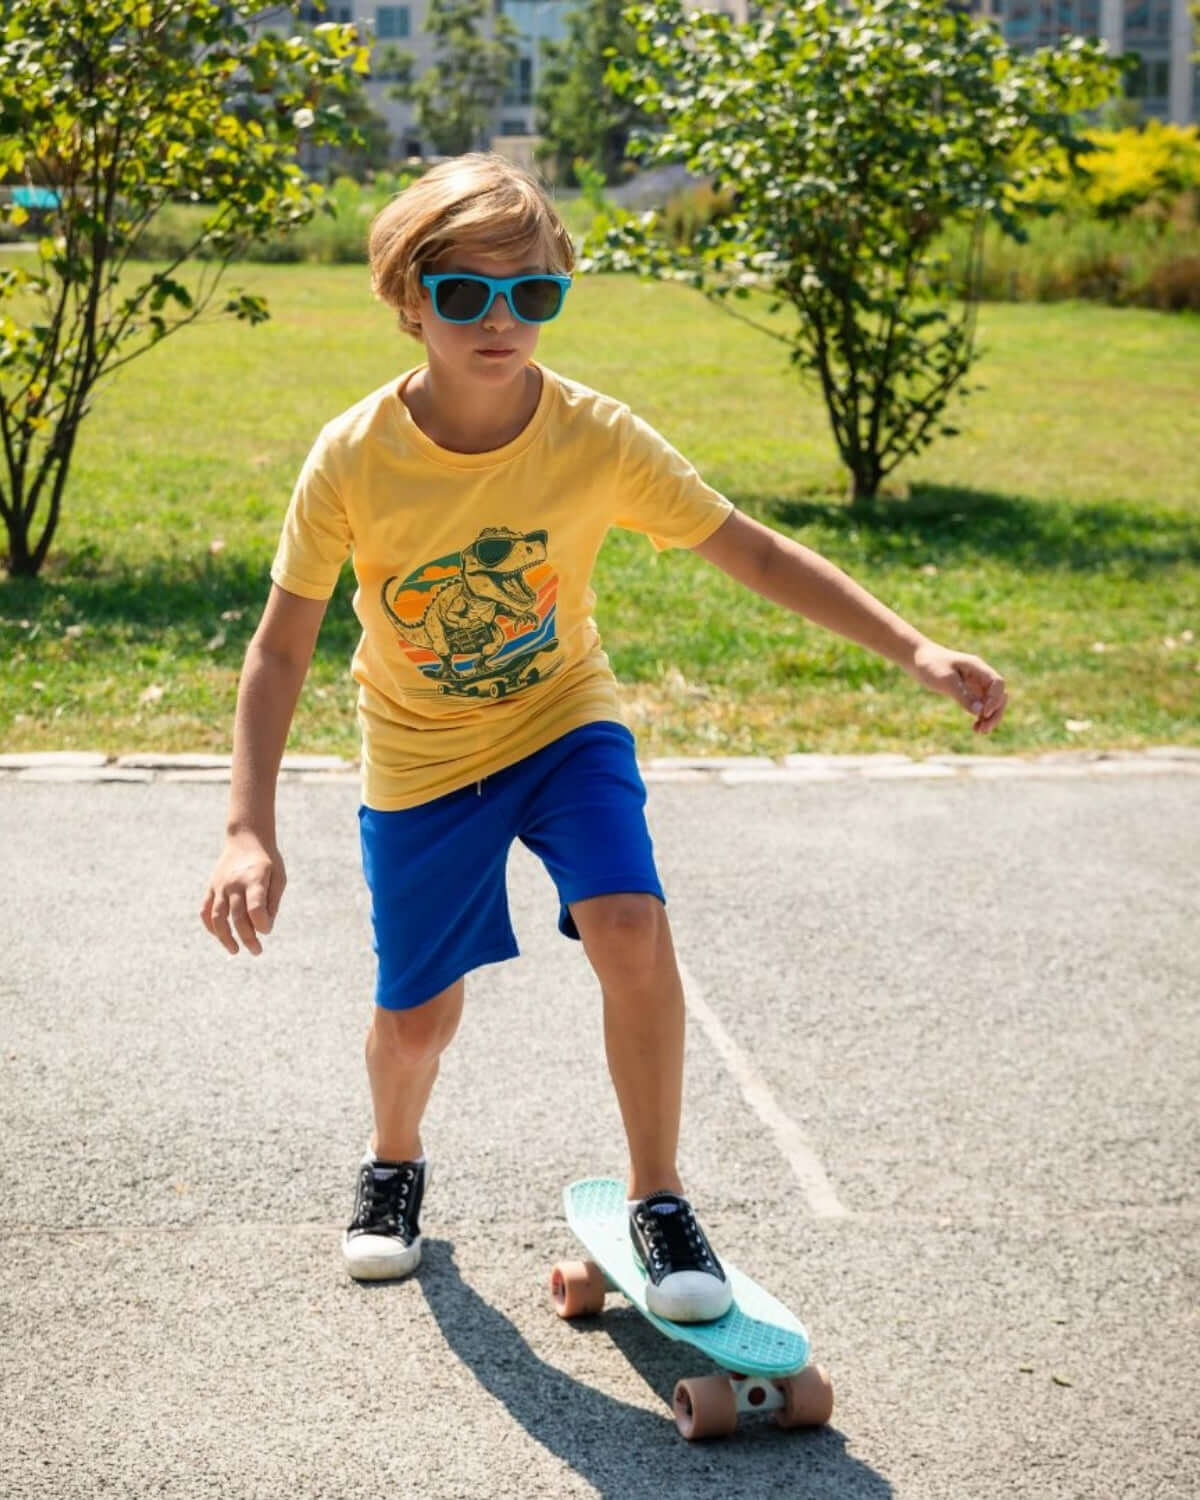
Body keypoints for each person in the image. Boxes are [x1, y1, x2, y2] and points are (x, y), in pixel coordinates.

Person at [200, 153, 1007, 1323]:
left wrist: (914, 648)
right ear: (408, 300)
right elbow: (280, 651)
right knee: (418, 1014)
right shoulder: (355, 456)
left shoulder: (597, 435)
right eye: (468, 295)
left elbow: (754, 550)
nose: (502, 321)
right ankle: (393, 1160)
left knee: (630, 925)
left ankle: (659, 1196)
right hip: (422, 756)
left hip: (566, 721)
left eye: (533, 295)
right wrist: (246, 828)